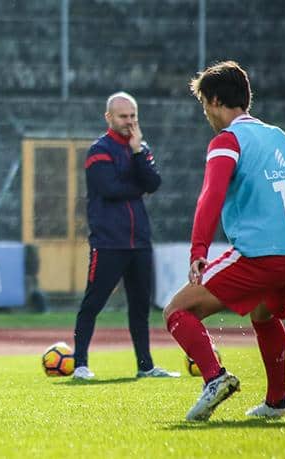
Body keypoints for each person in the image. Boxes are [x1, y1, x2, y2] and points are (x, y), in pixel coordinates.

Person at [164, 61, 285, 421]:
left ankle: (215, 378)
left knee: (177, 312)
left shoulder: (227, 141)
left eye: (204, 106)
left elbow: (210, 196)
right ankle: (277, 403)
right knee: (264, 314)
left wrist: (199, 251)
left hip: (263, 253)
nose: (206, 115)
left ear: (214, 101)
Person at [72, 92, 179, 380]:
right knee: (92, 303)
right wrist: (138, 185)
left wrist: (137, 153)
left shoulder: (139, 148)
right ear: (109, 117)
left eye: (133, 116)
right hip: (108, 242)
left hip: (139, 243)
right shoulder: (99, 150)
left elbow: (153, 183)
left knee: (140, 307)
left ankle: (145, 366)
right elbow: (110, 189)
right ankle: (80, 364)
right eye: (123, 116)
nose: (130, 121)